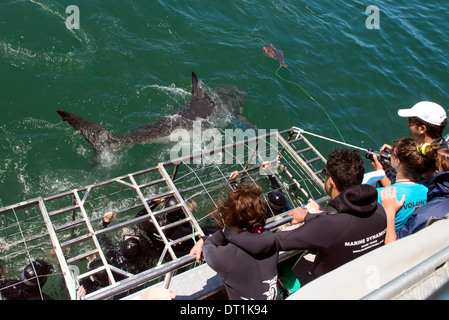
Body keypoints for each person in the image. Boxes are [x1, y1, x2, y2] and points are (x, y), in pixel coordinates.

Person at [272, 148, 387, 281]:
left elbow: (277, 240)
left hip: (330, 288)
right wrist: (309, 216)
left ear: (331, 181)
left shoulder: (326, 226)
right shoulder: (379, 211)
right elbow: (345, 223)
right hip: (362, 279)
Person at [189, 183, 281, 300]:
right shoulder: (273, 240)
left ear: (227, 217)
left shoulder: (223, 258)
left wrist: (204, 239)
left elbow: (209, 245)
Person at [380, 149, 449, 243]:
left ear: (435, 173)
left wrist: (390, 212)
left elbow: (393, 247)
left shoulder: (426, 214)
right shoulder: (429, 192)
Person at [378, 101, 447, 187]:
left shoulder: (432, 166)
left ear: (422, 128)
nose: (407, 123)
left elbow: (401, 192)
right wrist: (398, 152)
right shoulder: (440, 144)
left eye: (411, 121)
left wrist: (380, 172)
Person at [375, 138, 439, 231]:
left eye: (392, 154)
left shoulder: (380, 195)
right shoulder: (431, 190)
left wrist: (379, 173)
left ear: (397, 162)